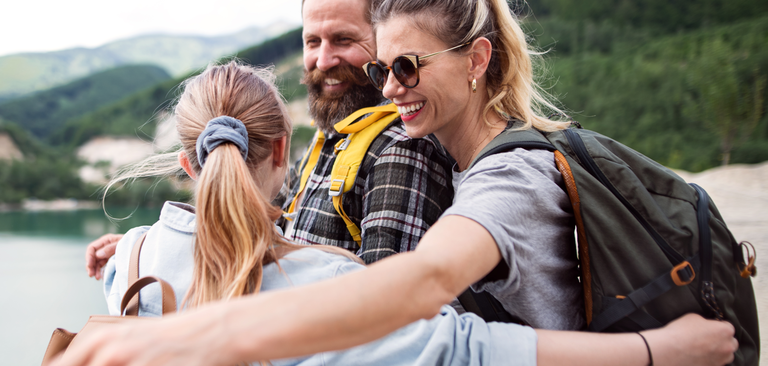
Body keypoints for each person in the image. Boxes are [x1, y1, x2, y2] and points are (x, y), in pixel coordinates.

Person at [53, 0, 740, 365]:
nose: (387, 88)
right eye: (384, 68)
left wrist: (194, 336)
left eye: (406, 67)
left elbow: (406, 303)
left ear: (476, 60)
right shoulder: (426, 151)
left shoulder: (509, 179)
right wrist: (158, 242)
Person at [85, 0, 454, 275]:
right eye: (312, 42)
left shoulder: (401, 149)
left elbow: (387, 316)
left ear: (385, 44)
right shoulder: (329, 141)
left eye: (343, 40)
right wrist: (157, 250)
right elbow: (247, 216)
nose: (323, 60)